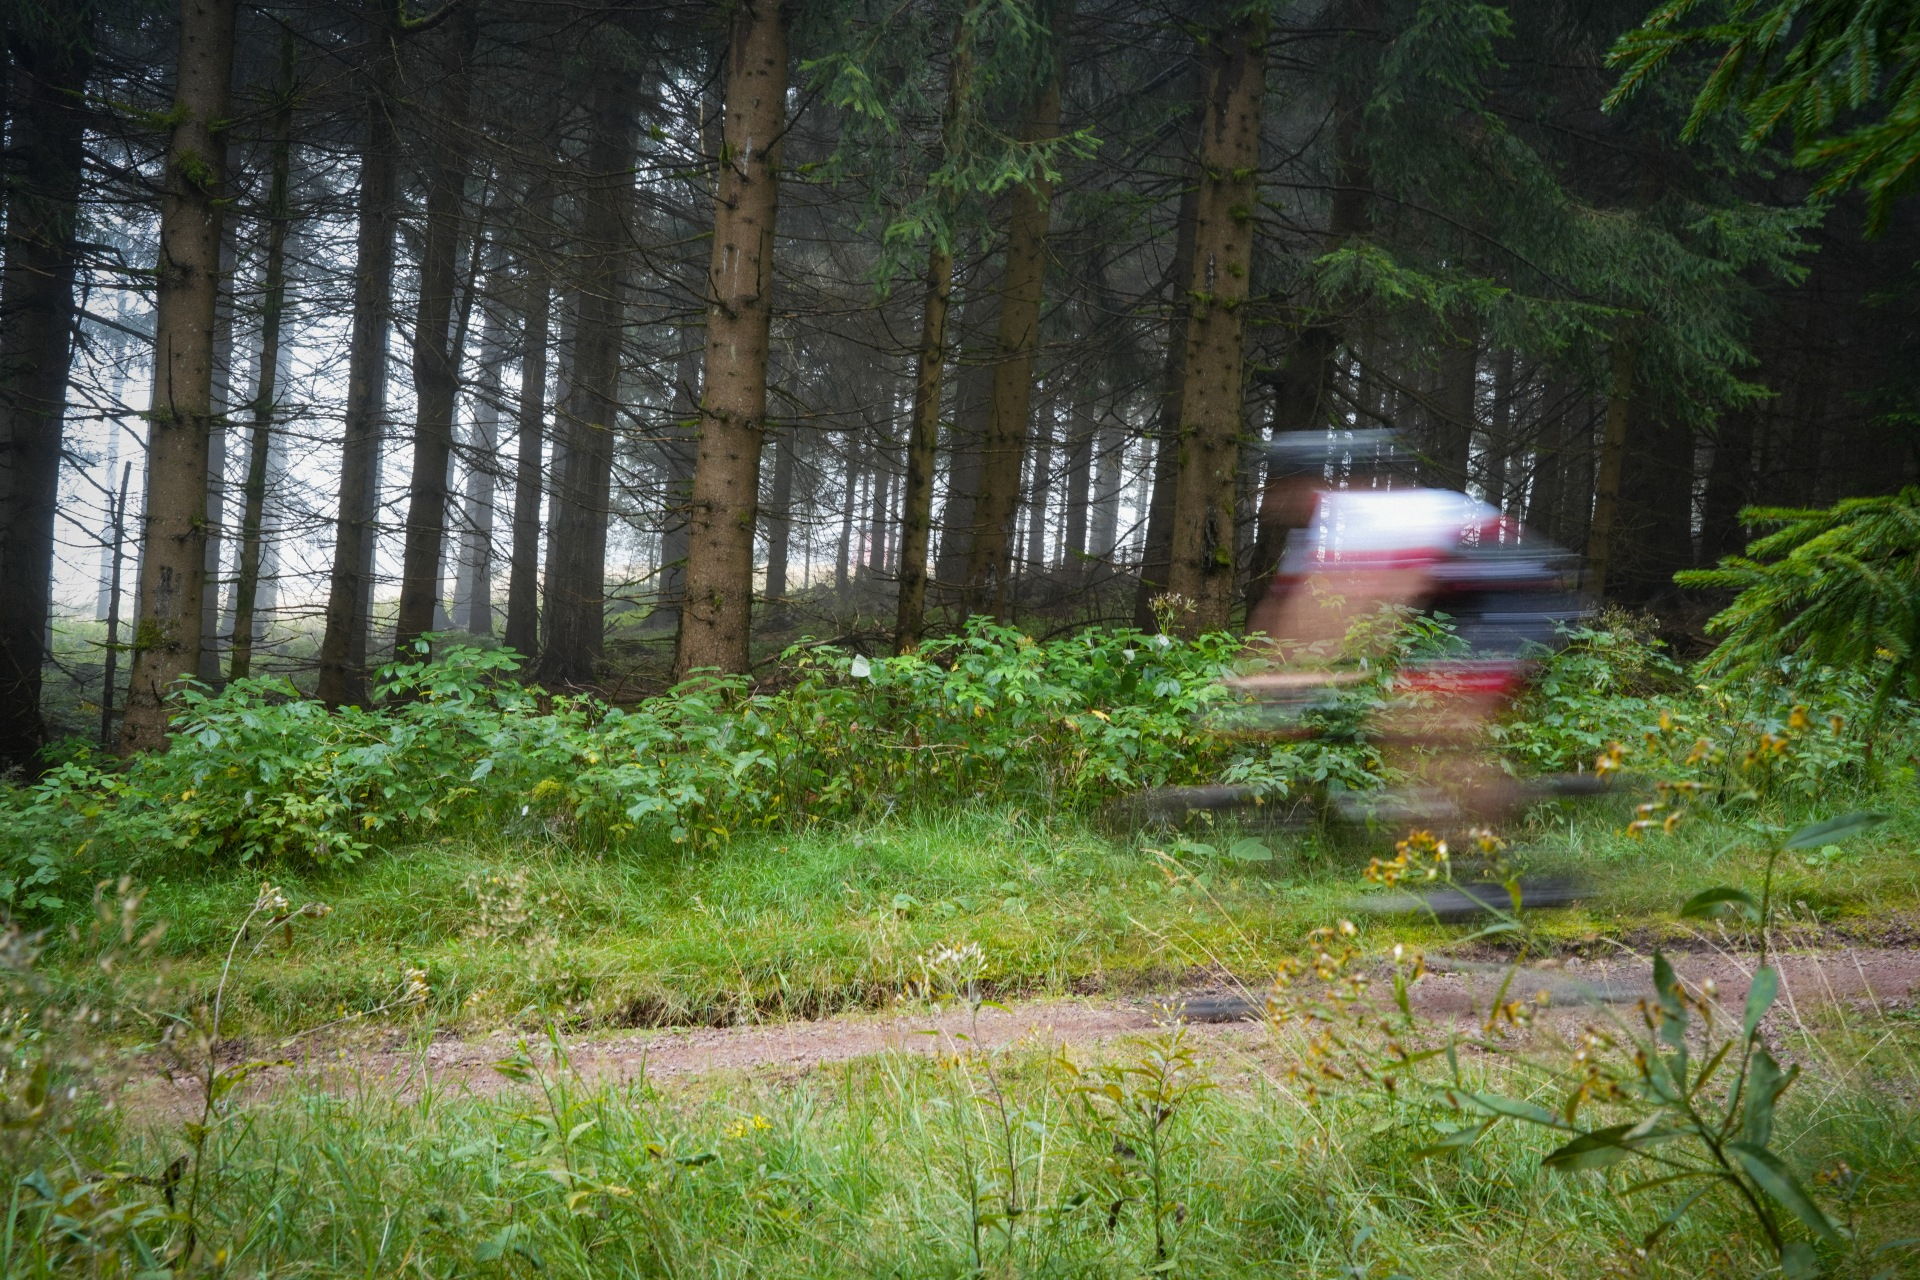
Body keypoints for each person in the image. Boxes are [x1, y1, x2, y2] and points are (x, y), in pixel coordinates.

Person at [1238, 429, 1584, 826]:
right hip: (1474, 597)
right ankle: (1460, 831)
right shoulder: (1315, 531)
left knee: (1423, 722)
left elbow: (1387, 601)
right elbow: (1285, 610)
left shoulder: (1362, 519)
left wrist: (1337, 670)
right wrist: (1249, 672)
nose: (1268, 502)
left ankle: (1485, 843)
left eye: (1275, 490)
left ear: (1302, 487)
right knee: (1406, 724)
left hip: (1512, 599)